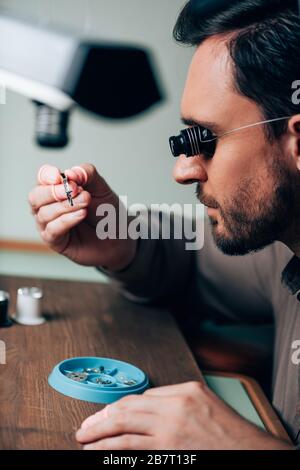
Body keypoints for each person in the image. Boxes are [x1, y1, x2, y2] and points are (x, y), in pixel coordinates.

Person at [28, 0, 300, 450]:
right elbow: (191, 259)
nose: (183, 171)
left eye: (204, 140)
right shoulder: (284, 250)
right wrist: (120, 240)